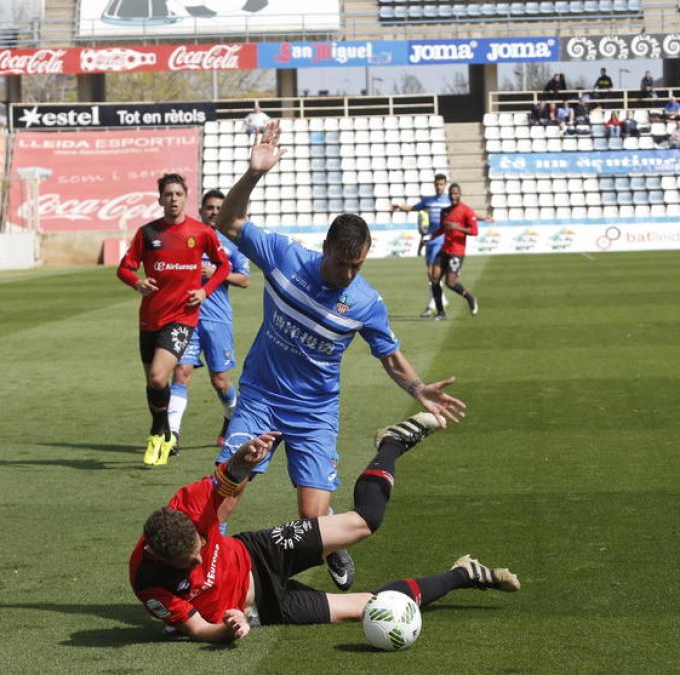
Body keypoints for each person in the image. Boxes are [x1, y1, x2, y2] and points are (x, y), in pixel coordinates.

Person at [214, 122, 467, 591]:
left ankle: (327, 533)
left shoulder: (366, 302)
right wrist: (252, 175)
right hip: (261, 397)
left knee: (311, 520)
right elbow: (227, 223)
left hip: (315, 412)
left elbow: (388, 354)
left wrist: (417, 388)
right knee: (228, 487)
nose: (349, 274)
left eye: (358, 265)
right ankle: (207, 570)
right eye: (342, 263)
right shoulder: (286, 257)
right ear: (325, 249)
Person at [130, 413, 519, 642]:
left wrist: (243, 459)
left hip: (259, 552)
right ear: (159, 556)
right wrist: (229, 628)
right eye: (189, 562)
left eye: (201, 547)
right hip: (262, 607)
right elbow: (197, 629)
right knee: (375, 608)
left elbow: (227, 477)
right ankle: (464, 574)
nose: (199, 558)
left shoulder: (187, 508)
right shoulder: (148, 580)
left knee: (365, 522)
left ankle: (392, 443)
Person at [117, 174, 231, 467]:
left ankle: (159, 431)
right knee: (153, 383)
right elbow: (124, 268)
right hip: (150, 318)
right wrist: (137, 283)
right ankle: (165, 431)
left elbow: (223, 266)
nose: (173, 199)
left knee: (159, 375)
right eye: (168, 194)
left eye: (178, 193)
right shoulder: (147, 233)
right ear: (160, 199)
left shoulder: (201, 232)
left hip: (182, 317)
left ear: (185, 197)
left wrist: (205, 291)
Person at [167, 189, 251, 454]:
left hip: (218, 320)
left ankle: (231, 418)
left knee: (220, 381)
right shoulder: (187, 236)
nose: (214, 212)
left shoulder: (232, 242)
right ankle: (171, 435)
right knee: (181, 373)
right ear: (202, 210)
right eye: (210, 208)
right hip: (187, 316)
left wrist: (217, 273)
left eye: (218, 208)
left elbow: (245, 279)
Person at [391, 174, 453, 317]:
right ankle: (440, 300)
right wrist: (400, 207)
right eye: (437, 184)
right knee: (430, 273)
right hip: (431, 240)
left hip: (443, 240)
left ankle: (433, 304)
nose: (439, 187)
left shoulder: (450, 201)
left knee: (435, 273)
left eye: (442, 184)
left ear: (445, 185)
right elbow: (413, 208)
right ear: (435, 184)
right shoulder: (428, 201)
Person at [426, 184, 479, 321]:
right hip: (444, 250)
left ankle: (470, 297)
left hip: (457, 252)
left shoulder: (467, 211)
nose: (453, 196)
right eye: (451, 194)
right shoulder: (445, 211)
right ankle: (441, 313)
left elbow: (474, 231)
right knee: (435, 279)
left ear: (460, 194)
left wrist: (458, 227)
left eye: (455, 194)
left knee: (450, 283)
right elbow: (442, 229)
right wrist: (430, 236)